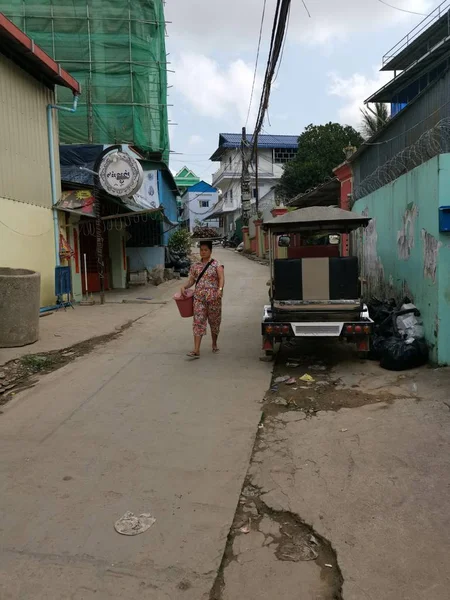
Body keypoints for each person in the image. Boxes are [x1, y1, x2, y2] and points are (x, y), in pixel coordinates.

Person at [180, 241, 224, 359]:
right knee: (198, 321)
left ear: (210, 251)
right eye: (201, 250)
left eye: (205, 250)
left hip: (214, 298)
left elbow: (221, 278)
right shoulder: (195, 266)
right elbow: (191, 280)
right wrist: (184, 286)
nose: (203, 252)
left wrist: (220, 289)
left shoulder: (217, 264)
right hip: (199, 298)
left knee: (214, 322)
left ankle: (214, 343)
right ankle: (196, 350)